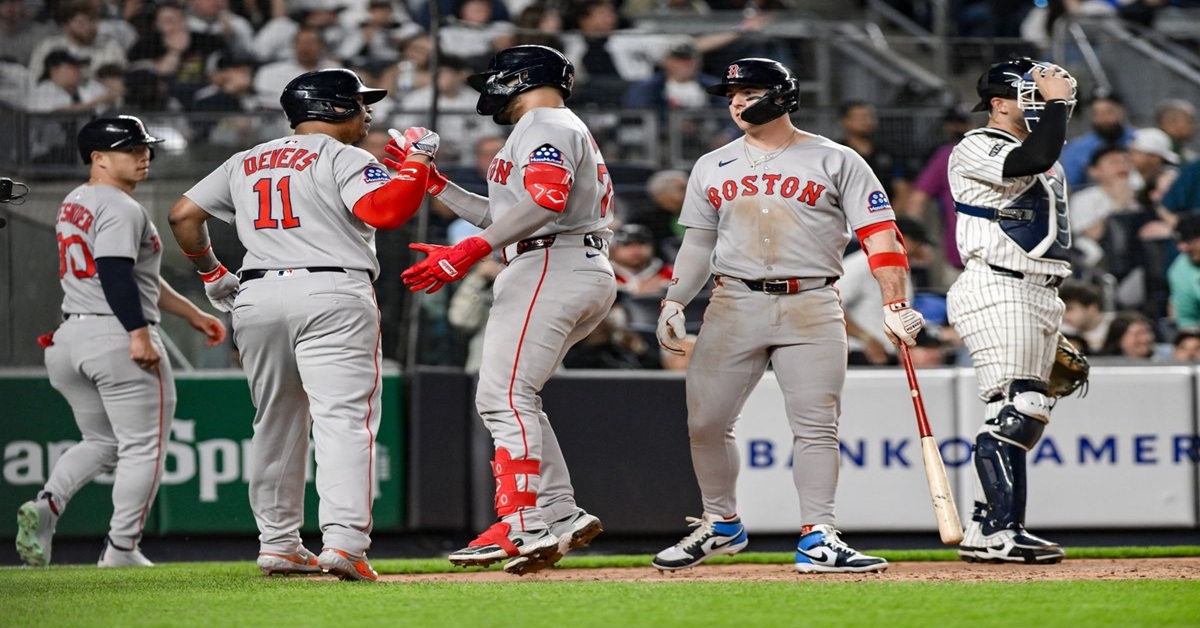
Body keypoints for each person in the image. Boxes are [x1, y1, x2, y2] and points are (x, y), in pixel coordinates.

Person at [651, 58, 923, 574]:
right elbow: (698, 242)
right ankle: (720, 523)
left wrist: (895, 301)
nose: (735, 101)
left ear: (780, 96)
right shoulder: (713, 164)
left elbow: (881, 235)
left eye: (747, 91)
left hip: (812, 301)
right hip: (734, 302)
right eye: (731, 93)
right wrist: (673, 299)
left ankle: (818, 533)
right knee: (705, 423)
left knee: (816, 424)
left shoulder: (835, 158)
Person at [167, 69, 429, 581]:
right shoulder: (346, 155)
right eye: (358, 103)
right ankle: (345, 544)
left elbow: (182, 215)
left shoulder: (246, 159)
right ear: (332, 109)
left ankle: (279, 543)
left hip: (258, 294)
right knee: (342, 420)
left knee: (275, 423)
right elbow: (389, 210)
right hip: (332, 290)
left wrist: (212, 272)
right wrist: (418, 159)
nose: (368, 113)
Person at [393, 45, 617, 575]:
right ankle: (559, 514)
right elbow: (509, 213)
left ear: (520, 78)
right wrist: (438, 186)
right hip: (569, 262)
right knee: (520, 396)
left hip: (550, 265)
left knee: (501, 396)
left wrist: (468, 251)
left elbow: (545, 204)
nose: (488, 88)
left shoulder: (543, 124)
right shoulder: (553, 125)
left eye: (495, 79)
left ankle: (522, 522)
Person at [15, 116, 226, 569]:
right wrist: (138, 333)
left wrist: (191, 314)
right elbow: (114, 273)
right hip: (115, 335)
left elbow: (131, 274)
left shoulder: (76, 200)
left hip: (70, 338)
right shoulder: (120, 206)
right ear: (98, 158)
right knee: (143, 448)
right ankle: (122, 549)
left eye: (144, 146)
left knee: (102, 442)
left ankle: (48, 505)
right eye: (130, 148)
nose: (142, 154)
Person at [946, 57, 1077, 565]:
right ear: (998, 103)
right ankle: (1002, 530)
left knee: (1017, 412)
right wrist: (1060, 106)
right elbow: (1033, 159)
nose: (1039, 101)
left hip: (1037, 290)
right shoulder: (976, 145)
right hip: (998, 284)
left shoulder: (1039, 148)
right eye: (1030, 94)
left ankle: (988, 528)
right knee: (1019, 410)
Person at [1168, 213, 1200, 330]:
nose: (1182, 248)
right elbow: (1188, 320)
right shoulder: (1180, 271)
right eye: (1179, 243)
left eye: (1188, 241)